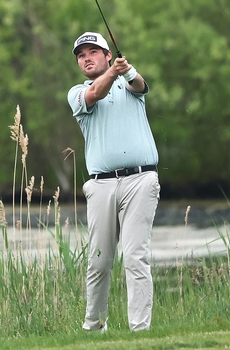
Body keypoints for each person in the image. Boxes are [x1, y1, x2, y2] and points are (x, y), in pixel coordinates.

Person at [66, 31, 160, 332]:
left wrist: (127, 70)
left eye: (93, 52)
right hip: (101, 185)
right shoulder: (77, 93)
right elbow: (96, 95)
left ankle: (140, 330)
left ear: (108, 55)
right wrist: (112, 72)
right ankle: (93, 325)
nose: (86, 58)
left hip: (141, 179)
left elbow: (141, 85)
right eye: (81, 55)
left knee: (135, 256)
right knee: (99, 261)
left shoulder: (128, 85)